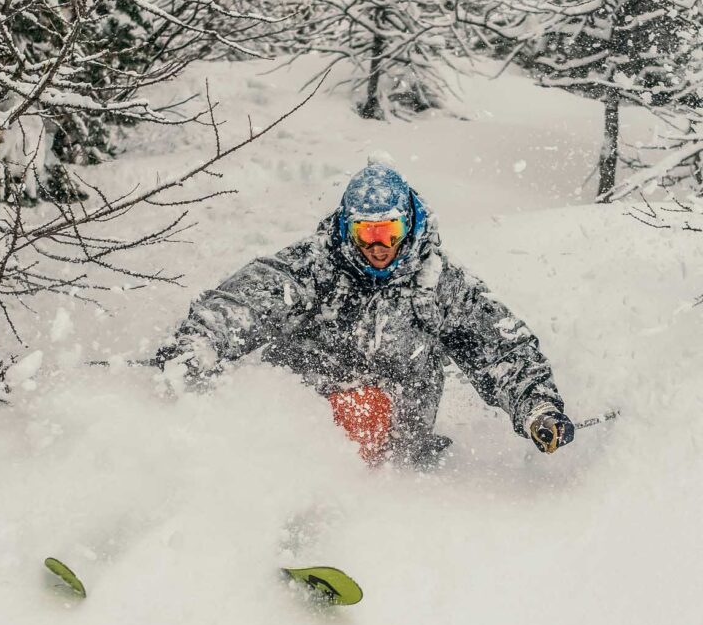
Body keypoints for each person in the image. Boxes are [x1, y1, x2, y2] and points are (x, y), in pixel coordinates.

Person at [155, 160, 574, 466]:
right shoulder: (316, 266)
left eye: (387, 232)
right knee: (275, 403)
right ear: (346, 229)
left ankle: (342, 519)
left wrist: (536, 405)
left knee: (367, 407)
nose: (376, 246)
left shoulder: (438, 285)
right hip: (307, 409)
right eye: (365, 233)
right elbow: (247, 300)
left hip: (397, 428)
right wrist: (199, 344)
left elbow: (498, 347)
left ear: (409, 225)